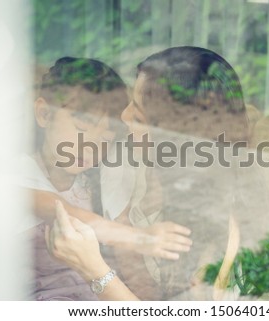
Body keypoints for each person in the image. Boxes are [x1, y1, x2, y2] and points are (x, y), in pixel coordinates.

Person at [46, 47, 269, 300]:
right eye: (131, 102)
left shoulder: (217, 241)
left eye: (140, 118)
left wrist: (93, 269)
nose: (124, 116)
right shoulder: (140, 165)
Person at [19, 57, 192, 300]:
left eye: (104, 140)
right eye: (81, 129)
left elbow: (127, 255)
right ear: (44, 113)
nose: (90, 147)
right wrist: (142, 239)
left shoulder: (101, 179)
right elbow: (63, 212)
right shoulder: (17, 174)